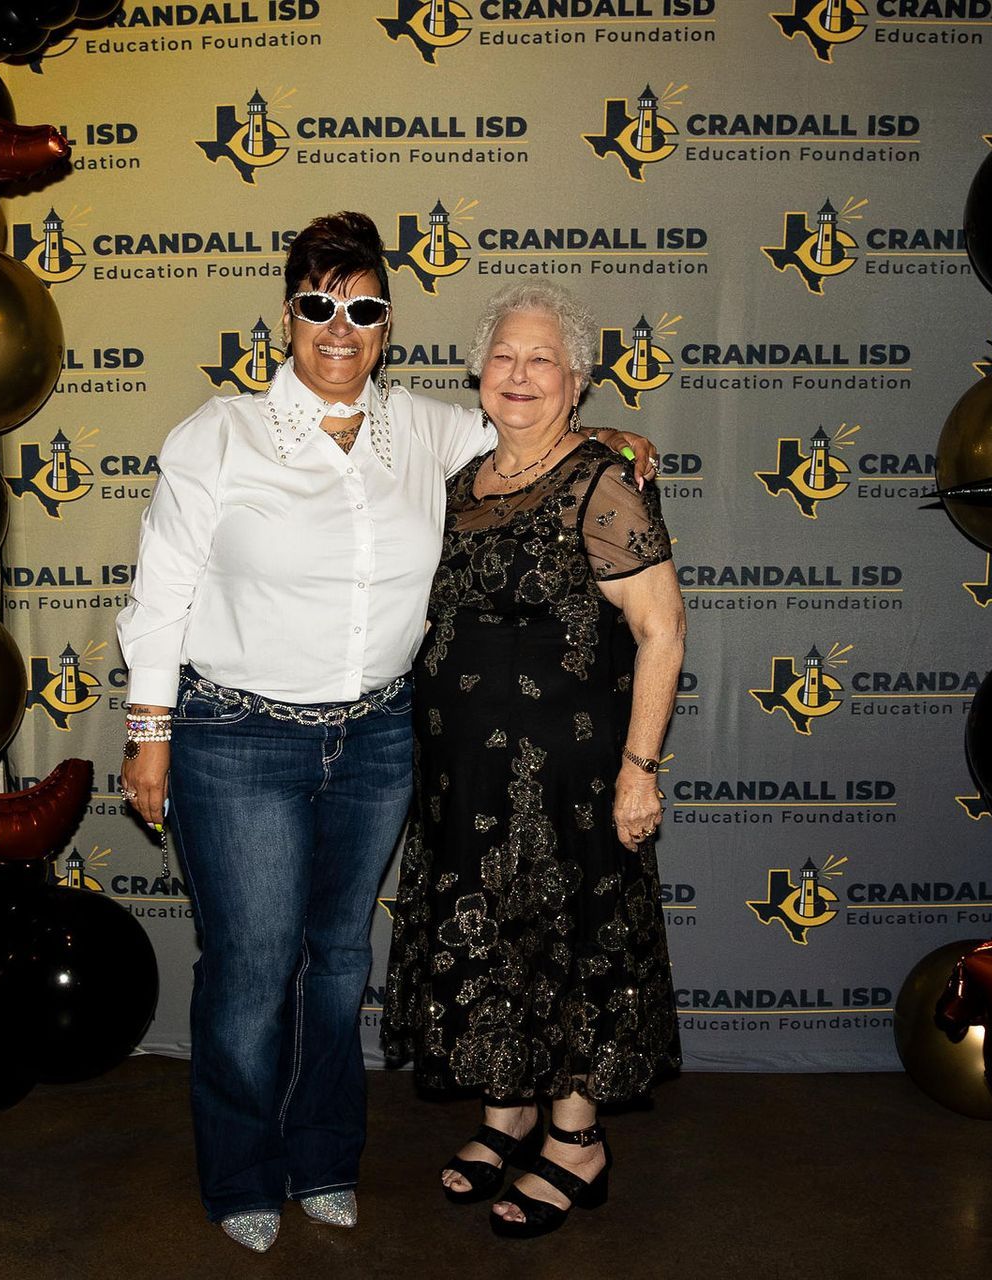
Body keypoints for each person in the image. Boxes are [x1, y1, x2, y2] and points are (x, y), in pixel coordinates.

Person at [114, 214, 657, 1252]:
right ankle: (240, 1170)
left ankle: (322, 1157)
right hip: (238, 737)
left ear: (387, 322)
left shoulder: (425, 428)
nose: (339, 325)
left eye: (362, 306)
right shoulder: (216, 434)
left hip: (377, 740)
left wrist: (615, 443)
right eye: (318, 302)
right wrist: (150, 731)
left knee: (339, 963)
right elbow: (160, 595)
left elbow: (529, 441)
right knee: (252, 964)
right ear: (287, 315)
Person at [382, 282, 685, 1239]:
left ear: (578, 381)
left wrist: (641, 768)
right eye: (505, 358)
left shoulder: (603, 482)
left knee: (569, 946)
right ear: (479, 374)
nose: (520, 375)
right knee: (493, 943)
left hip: (570, 778)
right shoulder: (459, 482)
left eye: (542, 359)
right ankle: (508, 1112)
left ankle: (575, 1141)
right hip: (465, 779)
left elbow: (663, 629)